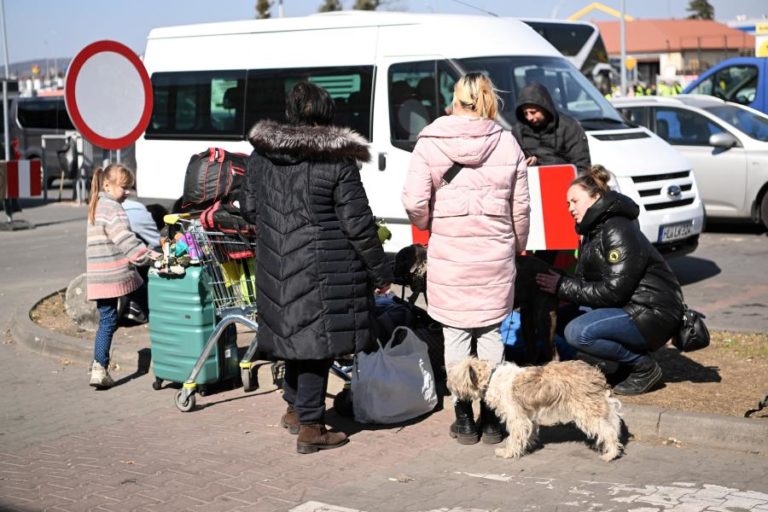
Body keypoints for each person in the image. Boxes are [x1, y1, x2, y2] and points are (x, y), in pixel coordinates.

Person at [240, 81, 392, 454]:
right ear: (327, 114)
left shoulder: (259, 156)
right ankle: (311, 426)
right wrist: (381, 270)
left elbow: (249, 208)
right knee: (315, 343)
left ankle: (295, 409)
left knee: (296, 334)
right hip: (326, 266)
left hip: (277, 262)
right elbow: (358, 223)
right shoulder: (336, 160)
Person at [401, 72, 530, 445]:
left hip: (450, 253)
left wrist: (429, 224)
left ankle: (463, 419)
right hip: (495, 254)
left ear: (454, 99)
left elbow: (412, 201)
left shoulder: (431, 141)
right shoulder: (507, 143)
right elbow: (520, 207)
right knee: (490, 333)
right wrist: (517, 244)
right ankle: (492, 419)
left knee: (455, 334)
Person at [535, 165, 684, 395]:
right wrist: (561, 280)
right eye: (567, 204)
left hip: (653, 311)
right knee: (563, 320)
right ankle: (623, 365)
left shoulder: (616, 229)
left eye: (574, 201)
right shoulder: (594, 229)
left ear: (595, 197)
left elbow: (615, 291)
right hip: (632, 307)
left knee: (578, 332)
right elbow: (590, 281)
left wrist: (562, 285)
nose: (570, 208)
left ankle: (643, 366)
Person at [86, 164, 159, 389]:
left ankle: (99, 368)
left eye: (130, 187)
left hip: (98, 276)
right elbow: (126, 240)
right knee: (152, 309)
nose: (128, 192)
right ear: (107, 184)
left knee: (107, 321)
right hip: (119, 274)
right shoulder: (114, 208)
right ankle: (169, 354)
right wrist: (152, 257)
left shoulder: (96, 205)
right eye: (124, 187)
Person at [513, 82, 591, 175]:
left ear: (545, 108)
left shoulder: (569, 127)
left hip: (564, 183)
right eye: (525, 113)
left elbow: (582, 166)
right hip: (530, 185)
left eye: (533, 112)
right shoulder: (518, 131)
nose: (529, 117)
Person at [122, 197, 165, 324]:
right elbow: (156, 243)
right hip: (131, 263)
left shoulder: (116, 208)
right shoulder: (140, 213)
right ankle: (140, 308)